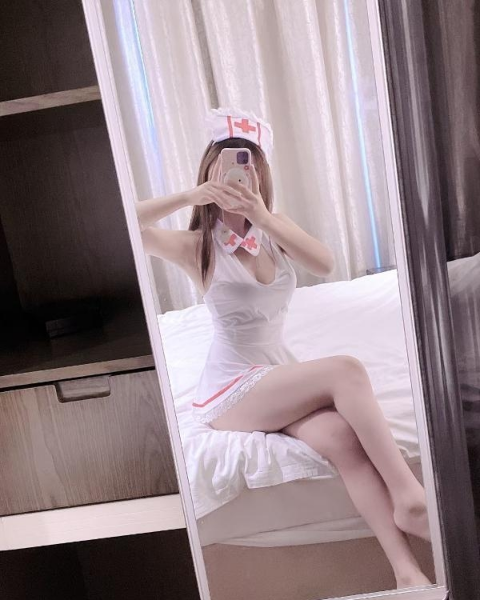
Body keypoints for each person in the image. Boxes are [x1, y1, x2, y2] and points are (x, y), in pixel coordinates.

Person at [137, 108, 431, 588]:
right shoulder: (197, 247)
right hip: (231, 390)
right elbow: (126, 223)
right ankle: (410, 497)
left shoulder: (273, 230)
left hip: (274, 378)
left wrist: (263, 217)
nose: (239, 178)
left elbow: (326, 263)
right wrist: (191, 195)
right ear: (211, 173)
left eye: (249, 167)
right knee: (345, 369)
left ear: (261, 176)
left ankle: (407, 574)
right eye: (228, 169)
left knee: (341, 438)